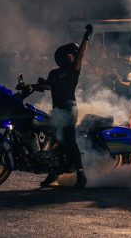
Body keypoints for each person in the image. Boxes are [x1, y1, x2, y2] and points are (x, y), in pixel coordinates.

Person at [38, 24, 92, 188]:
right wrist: (35, 85)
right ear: (61, 56)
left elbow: (81, 55)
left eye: (73, 55)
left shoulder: (73, 70)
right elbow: (46, 86)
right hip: (57, 111)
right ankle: (54, 172)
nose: (72, 57)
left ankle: (81, 174)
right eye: (70, 54)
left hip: (69, 110)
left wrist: (86, 38)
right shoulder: (53, 73)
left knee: (69, 139)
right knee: (54, 140)